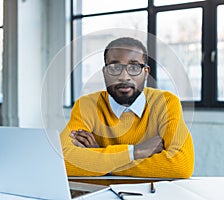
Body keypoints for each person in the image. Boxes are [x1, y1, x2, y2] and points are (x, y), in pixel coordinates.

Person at [60, 37, 194, 178]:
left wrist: (102, 160)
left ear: (146, 73)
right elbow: (62, 159)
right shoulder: (87, 105)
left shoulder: (165, 102)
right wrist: (135, 152)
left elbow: (181, 164)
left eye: (134, 67)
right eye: (115, 68)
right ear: (105, 72)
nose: (124, 77)